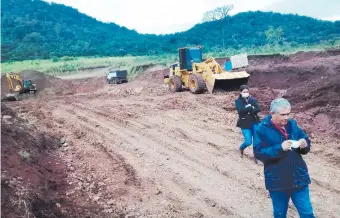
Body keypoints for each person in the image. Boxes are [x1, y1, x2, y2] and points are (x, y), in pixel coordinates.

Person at [254, 98, 315, 218]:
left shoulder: (292, 124)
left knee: (307, 214)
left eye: (288, 114)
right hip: (277, 181)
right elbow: (259, 153)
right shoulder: (261, 129)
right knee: (280, 214)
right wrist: (279, 148)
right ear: (272, 113)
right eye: (283, 115)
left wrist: (304, 144)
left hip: (298, 178)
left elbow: (305, 143)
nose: (286, 117)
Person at [234, 85, 261, 162]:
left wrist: (249, 109)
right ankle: (241, 148)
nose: (246, 93)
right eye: (244, 92)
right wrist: (250, 108)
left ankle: (256, 157)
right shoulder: (238, 101)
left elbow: (258, 109)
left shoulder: (253, 100)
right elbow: (240, 111)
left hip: (255, 122)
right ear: (240, 92)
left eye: (247, 91)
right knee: (248, 141)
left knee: (257, 140)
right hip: (244, 123)